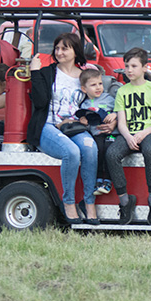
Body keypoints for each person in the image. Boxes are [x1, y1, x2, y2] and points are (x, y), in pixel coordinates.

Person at [28, 33, 100, 225]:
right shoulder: (47, 72)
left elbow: (92, 102)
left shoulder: (84, 76)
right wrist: (34, 72)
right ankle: (68, 202)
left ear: (75, 51)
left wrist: (90, 116)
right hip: (48, 126)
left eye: (65, 48)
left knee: (90, 149)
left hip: (73, 127)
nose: (59, 52)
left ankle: (88, 202)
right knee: (72, 152)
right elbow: (40, 101)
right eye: (57, 48)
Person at [106, 47, 151, 225]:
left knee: (149, 150)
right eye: (126, 66)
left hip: (150, 133)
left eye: (134, 66)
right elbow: (121, 122)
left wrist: (144, 133)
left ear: (145, 68)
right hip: (128, 133)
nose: (129, 70)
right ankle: (125, 201)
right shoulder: (122, 91)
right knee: (111, 154)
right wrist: (129, 137)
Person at [76, 68, 119, 196]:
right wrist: (83, 121)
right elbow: (85, 121)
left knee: (109, 152)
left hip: (112, 133)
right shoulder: (84, 105)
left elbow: (120, 110)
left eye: (100, 83)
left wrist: (115, 115)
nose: (98, 87)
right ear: (84, 89)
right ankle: (98, 179)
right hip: (96, 134)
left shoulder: (109, 99)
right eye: (93, 85)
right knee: (98, 151)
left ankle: (108, 181)